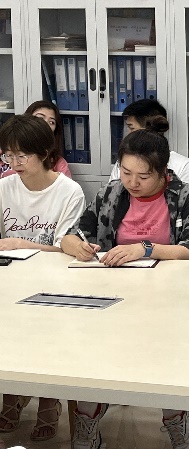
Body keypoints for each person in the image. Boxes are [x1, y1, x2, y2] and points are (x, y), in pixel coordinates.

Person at [61, 115, 189, 449]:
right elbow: (71, 236)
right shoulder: (111, 194)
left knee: (167, 356)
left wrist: (145, 248)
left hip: (170, 298)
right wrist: (78, 247)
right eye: (126, 173)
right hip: (112, 294)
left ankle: (177, 419)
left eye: (143, 176)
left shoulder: (183, 196)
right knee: (90, 353)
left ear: (163, 172)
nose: (133, 183)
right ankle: (87, 419)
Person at [0, 115, 85, 442]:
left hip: (54, 282)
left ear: (45, 152)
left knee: (51, 340)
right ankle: (12, 396)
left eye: (22, 156)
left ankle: (49, 401)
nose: (14, 163)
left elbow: (67, 246)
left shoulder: (69, 191)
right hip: (11, 278)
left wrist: (22, 243)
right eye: (8, 155)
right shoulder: (4, 188)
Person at [108, 99, 189, 191]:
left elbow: (188, 197)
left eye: (131, 128)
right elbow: (112, 193)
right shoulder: (125, 160)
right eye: (127, 173)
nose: (133, 184)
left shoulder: (182, 165)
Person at [24, 100, 72, 178]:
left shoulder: (59, 164)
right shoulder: (7, 154)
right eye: (40, 118)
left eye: (51, 122)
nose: (45, 124)